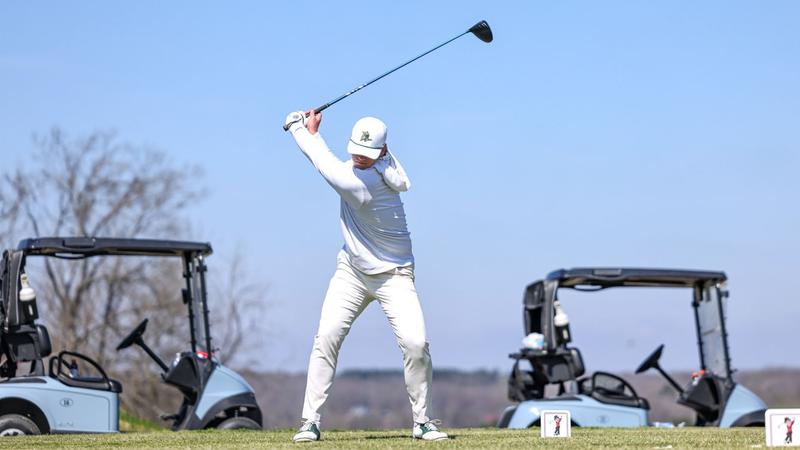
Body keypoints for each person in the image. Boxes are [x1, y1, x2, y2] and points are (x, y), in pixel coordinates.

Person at [284, 110, 447, 442]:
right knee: (326, 337)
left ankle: (423, 422)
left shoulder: (361, 184)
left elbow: (322, 162)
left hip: (395, 275)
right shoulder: (384, 166)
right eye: (356, 151)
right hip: (352, 272)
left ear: (382, 152)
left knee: (416, 344)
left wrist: (298, 128)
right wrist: (312, 133)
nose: (359, 158)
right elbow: (334, 161)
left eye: (367, 153)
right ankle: (309, 422)